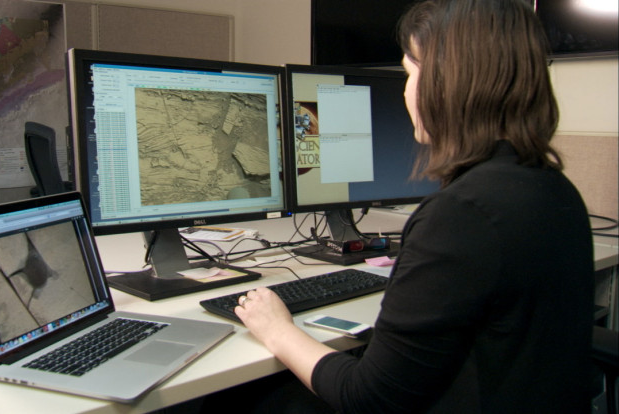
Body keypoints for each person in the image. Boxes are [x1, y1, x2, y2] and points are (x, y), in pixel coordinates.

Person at [232, 0, 595, 413]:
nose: (405, 90)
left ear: (449, 84)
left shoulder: (462, 214)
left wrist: (277, 329)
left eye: (409, 72)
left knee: (241, 397)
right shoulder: (554, 187)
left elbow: (367, 396)